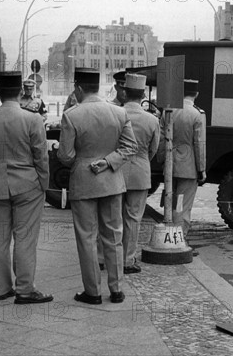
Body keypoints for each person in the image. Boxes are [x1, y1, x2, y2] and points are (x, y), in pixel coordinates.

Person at [57, 68, 137, 305]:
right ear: (98, 87)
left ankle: (92, 292)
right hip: (112, 182)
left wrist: (80, 161)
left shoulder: (71, 115)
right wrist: (108, 162)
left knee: (87, 237)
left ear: (79, 88)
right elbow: (129, 147)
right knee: (114, 236)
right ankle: (117, 289)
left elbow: (65, 155)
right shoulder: (119, 112)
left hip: (83, 182)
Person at [0, 71, 53, 304]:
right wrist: (44, 183)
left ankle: (1, 288)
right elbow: (41, 155)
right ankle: (24, 289)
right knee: (25, 238)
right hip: (28, 184)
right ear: (21, 92)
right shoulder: (32, 119)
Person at [119, 73, 159, 274]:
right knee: (133, 218)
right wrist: (142, 160)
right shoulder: (151, 120)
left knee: (111, 216)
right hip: (140, 171)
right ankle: (127, 260)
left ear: (125, 92)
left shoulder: (115, 113)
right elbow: (154, 149)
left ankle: (103, 257)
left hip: (115, 170)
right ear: (143, 94)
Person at [158, 79, 206, 238]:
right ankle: (178, 238)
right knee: (182, 205)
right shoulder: (197, 114)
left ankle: (168, 233)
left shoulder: (168, 111)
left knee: (170, 201)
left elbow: (161, 139)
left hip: (170, 164)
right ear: (197, 94)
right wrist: (201, 169)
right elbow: (199, 145)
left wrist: (162, 160)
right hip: (188, 167)